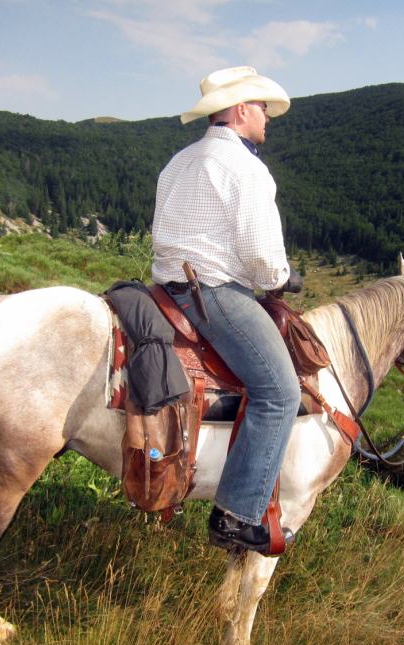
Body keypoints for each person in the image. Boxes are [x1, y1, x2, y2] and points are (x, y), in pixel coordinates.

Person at [151, 66, 303, 554]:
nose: (267, 119)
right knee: (280, 391)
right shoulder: (247, 168)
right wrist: (282, 279)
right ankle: (238, 514)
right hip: (213, 293)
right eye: (262, 108)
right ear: (240, 111)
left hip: (166, 288)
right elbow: (260, 257)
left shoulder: (179, 161)